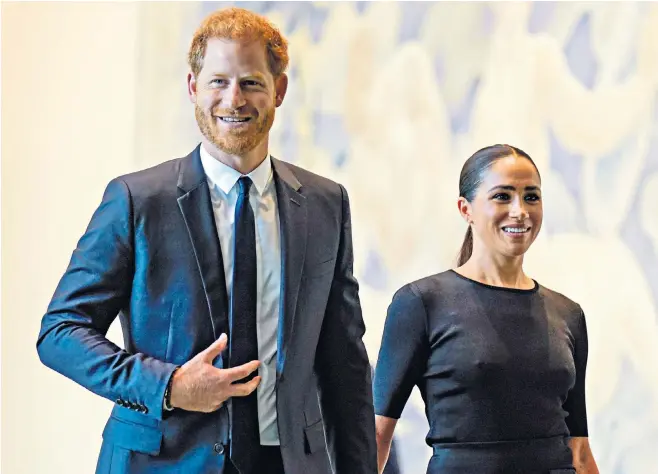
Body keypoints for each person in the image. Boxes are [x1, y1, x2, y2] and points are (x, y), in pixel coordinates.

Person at [36, 7, 376, 474]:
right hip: (159, 462)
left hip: (287, 464)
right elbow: (60, 332)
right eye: (218, 81)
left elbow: (346, 367)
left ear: (278, 90)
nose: (233, 99)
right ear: (193, 87)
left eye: (251, 82)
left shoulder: (325, 204)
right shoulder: (137, 200)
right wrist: (169, 385)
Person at [373, 144, 600, 473]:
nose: (520, 210)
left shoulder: (568, 314)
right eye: (503, 196)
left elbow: (578, 449)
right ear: (466, 209)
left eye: (531, 197)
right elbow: (378, 435)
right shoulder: (421, 303)